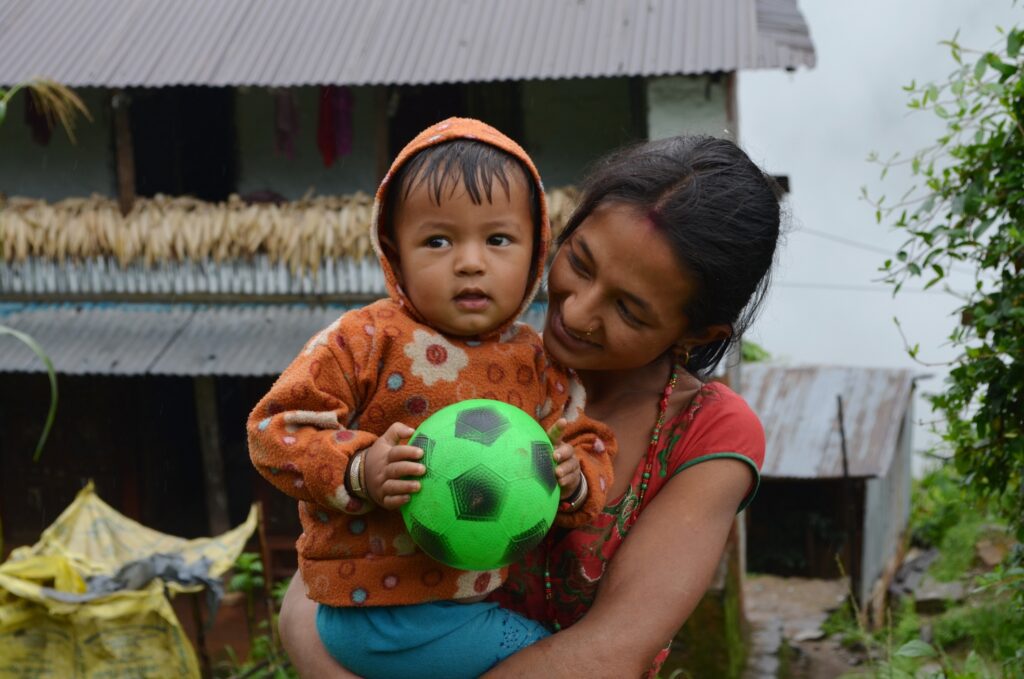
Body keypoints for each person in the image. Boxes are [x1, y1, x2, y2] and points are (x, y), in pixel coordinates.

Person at [274, 134, 780, 677]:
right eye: (580, 264)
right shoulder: (455, 363)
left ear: (697, 332)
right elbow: (314, 586)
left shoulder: (709, 433)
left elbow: (614, 651)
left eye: (629, 310)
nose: (579, 313)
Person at [247, 118, 616, 679]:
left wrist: (576, 474)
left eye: (498, 239)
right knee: (551, 658)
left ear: (535, 250)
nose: (470, 261)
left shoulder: (535, 360)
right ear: (395, 253)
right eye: (438, 241)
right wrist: (357, 469)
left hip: (473, 602)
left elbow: (584, 436)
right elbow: (275, 429)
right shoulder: (364, 340)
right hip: (373, 611)